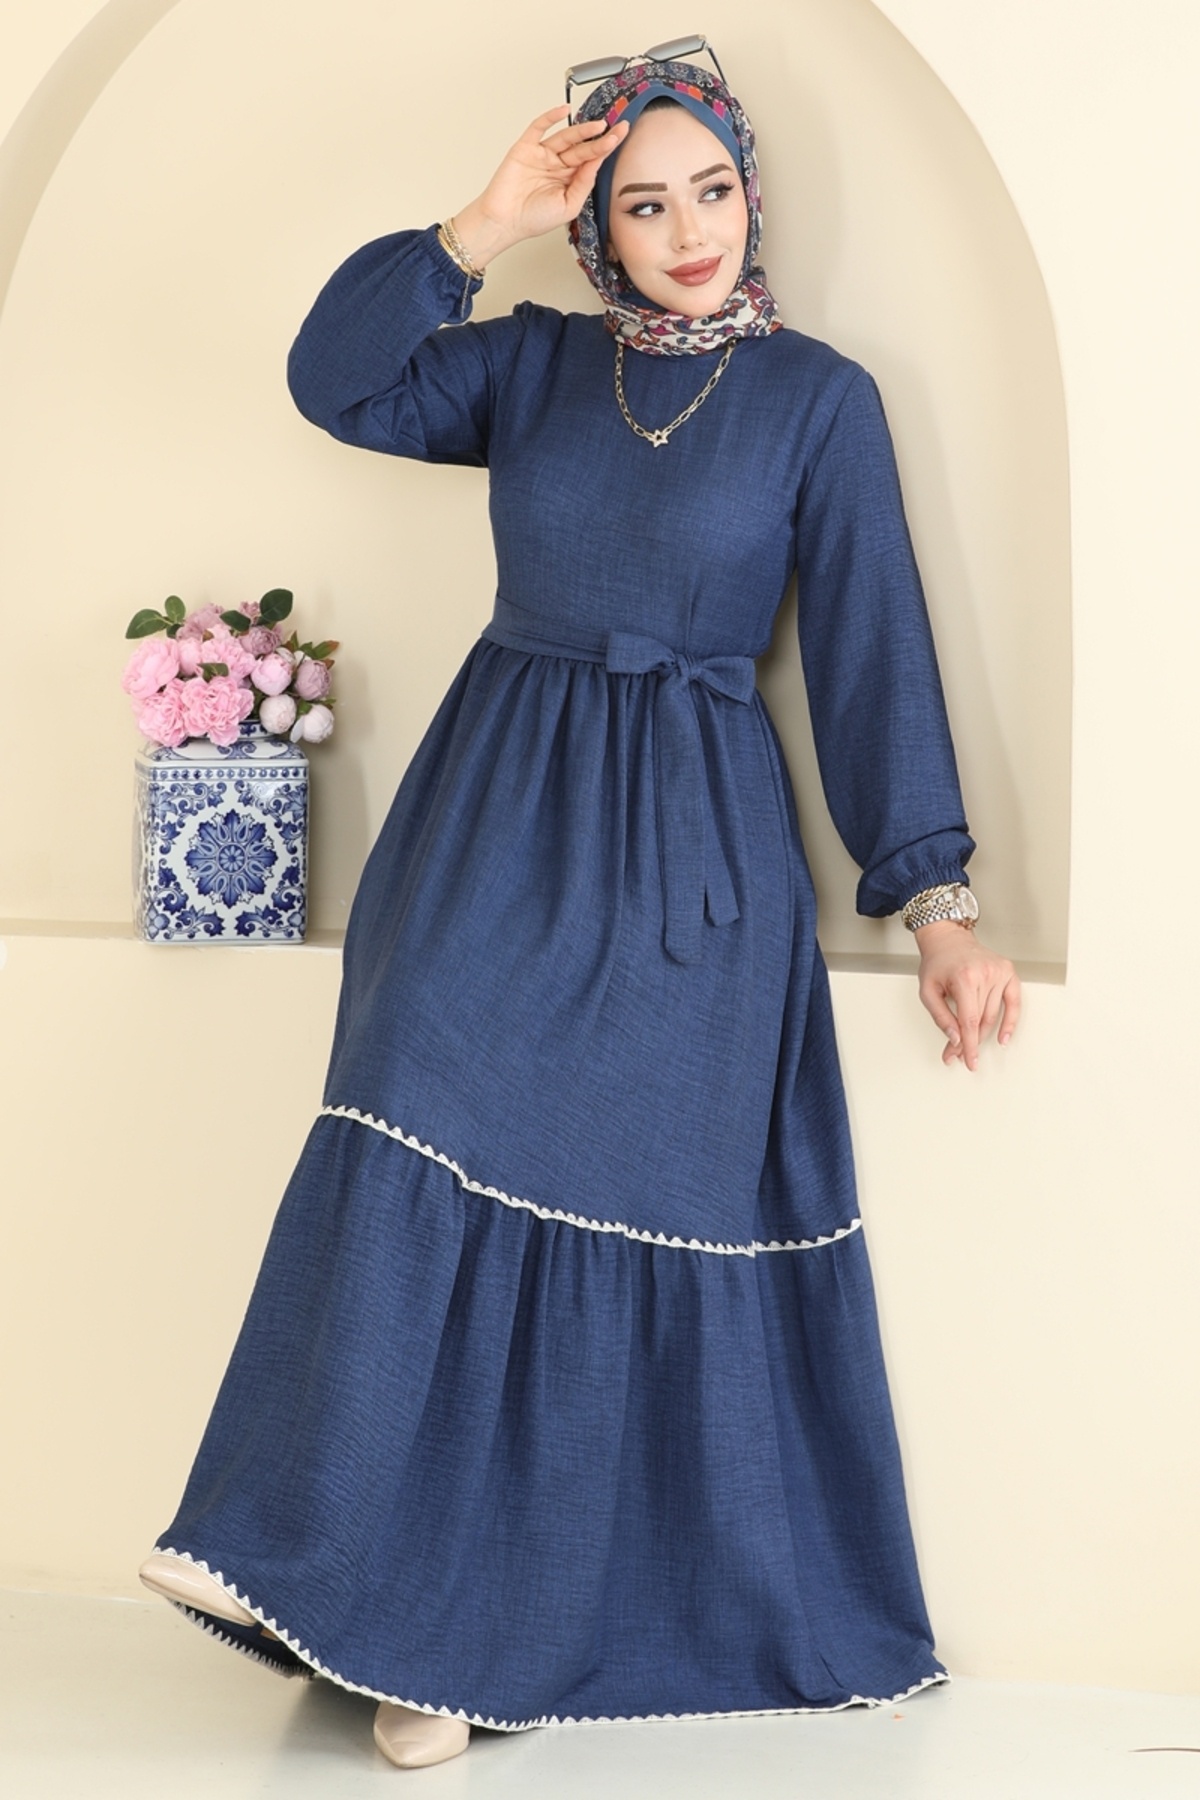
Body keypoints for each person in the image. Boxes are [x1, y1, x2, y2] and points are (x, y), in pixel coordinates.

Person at [139, 49, 1020, 1771]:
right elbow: (333, 380)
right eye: (644, 203)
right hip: (491, 819)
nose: (689, 231)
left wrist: (937, 902)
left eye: (713, 190)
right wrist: (479, 227)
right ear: (596, 228)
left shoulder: (819, 400)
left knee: (597, 1186)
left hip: (691, 856)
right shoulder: (533, 364)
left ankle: (461, 1651)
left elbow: (873, 652)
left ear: (753, 191)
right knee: (408, 1110)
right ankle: (327, 1575)